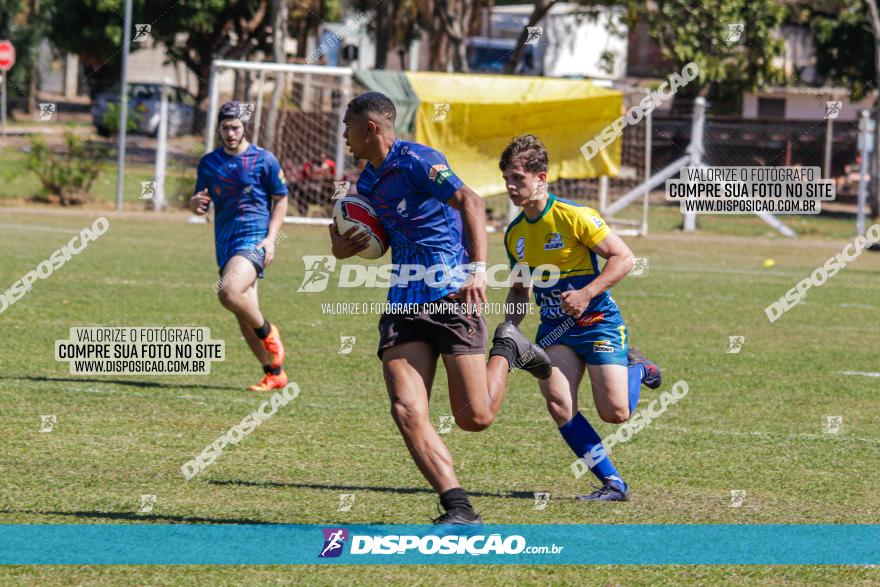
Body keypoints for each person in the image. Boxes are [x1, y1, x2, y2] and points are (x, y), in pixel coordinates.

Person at [329, 92, 552, 524]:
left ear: (371, 128)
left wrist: (476, 270)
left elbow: (470, 201)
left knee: (475, 418)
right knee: (406, 409)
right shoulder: (369, 182)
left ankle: (508, 348)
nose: (344, 135)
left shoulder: (418, 160)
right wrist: (342, 248)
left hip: (452, 295)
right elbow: (381, 238)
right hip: (403, 304)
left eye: (348, 126)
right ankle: (459, 508)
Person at [499, 134, 662, 501]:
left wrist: (587, 293)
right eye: (507, 179)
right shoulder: (515, 235)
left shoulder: (575, 217)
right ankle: (614, 483)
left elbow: (624, 258)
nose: (510, 187)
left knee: (616, 414)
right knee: (559, 404)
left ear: (541, 178)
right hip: (556, 330)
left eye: (517, 179)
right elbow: (520, 289)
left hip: (597, 323)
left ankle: (638, 368)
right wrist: (508, 330)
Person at [189, 101, 289, 392]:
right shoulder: (210, 162)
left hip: (255, 239)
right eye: (225, 127)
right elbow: (199, 200)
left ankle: (269, 332)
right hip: (225, 242)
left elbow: (280, 199)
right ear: (218, 129)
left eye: (235, 127)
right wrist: (196, 204)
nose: (230, 133)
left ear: (245, 128)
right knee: (243, 314)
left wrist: (271, 239)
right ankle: (274, 372)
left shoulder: (264, 160)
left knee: (228, 291)